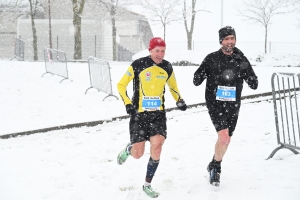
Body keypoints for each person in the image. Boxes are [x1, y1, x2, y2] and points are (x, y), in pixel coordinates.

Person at [116, 37, 187, 198]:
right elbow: (121, 85)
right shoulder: (138, 65)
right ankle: (129, 149)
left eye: (163, 51)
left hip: (158, 115)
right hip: (139, 116)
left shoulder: (167, 67)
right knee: (138, 154)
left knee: (157, 146)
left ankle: (147, 184)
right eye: (157, 51)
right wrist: (128, 103)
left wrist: (179, 100)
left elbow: (173, 86)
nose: (160, 54)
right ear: (150, 50)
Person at [193, 26, 258, 187]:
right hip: (215, 104)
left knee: (226, 140)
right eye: (227, 39)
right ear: (221, 41)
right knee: (223, 137)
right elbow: (196, 79)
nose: (230, 42)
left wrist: (248, 74)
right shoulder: (212, 58)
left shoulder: (240, 59)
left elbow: (254, 83)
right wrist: (202, 74)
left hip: (233, 105)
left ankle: (214, 164)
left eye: (232, 39)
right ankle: (217, 169)